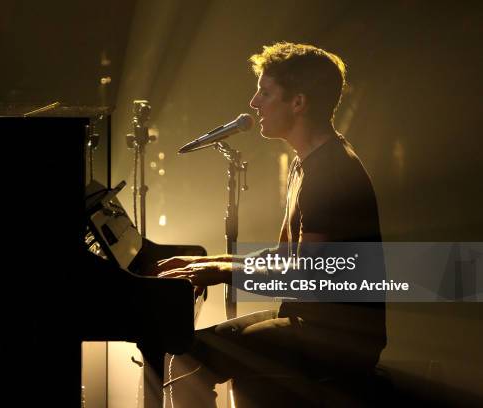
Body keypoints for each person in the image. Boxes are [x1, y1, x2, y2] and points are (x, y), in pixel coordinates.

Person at [156, 42, 386, 407]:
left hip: (336, 338)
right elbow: (284, 256)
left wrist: (219, 271)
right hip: (307, 320)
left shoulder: (330, 172)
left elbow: (306, 273)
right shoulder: (305, 163)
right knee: (187, 351)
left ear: (298, 102)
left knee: (188, 356)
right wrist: (210, 263)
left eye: (265, 93)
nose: (253, 103)